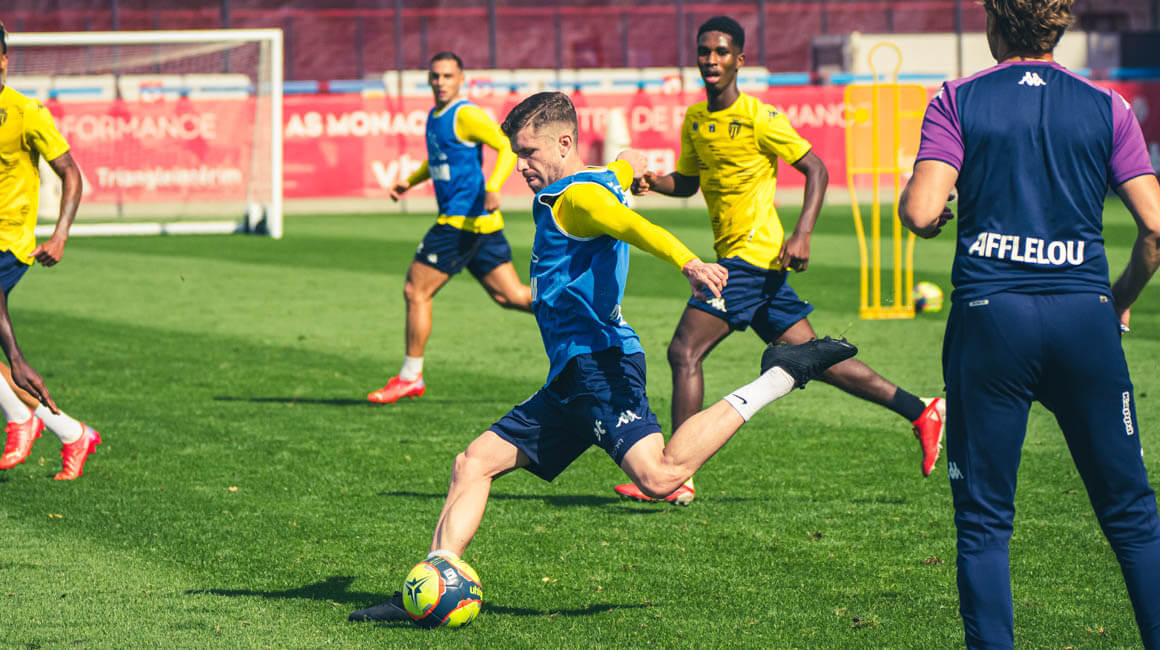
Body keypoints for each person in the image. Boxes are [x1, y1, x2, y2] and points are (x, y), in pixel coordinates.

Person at [349, 91, 858, 622]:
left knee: (659, 477)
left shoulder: (578, 200)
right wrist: (630, 164)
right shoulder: (597, 180)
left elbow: (632, 225)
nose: (519, 166)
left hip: (602, 365)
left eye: (528, 153)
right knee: (472, 463)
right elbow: (624, 165)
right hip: (570, 377)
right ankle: (427, 586)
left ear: (563, 143)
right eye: (516, 154)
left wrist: (688, 261)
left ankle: (780, 375)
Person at [899, 0, 1160, 645]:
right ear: (1058, 28)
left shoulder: (957, 99)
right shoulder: (1109, 106)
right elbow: (1155, 229)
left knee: (985, 524)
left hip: (991, 323)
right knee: (1132, 515)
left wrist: (931, 216)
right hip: (1084, 320)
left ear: (994, 23)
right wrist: (1119, 297)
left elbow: (920, 211)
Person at [616, 15, 945, 505]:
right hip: (747, 261)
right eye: (705, 51)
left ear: (740, 60)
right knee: (816, 359)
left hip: (751, 257)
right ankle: (921, 410)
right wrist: (653, 182)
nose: (711, 60)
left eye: (722, 52)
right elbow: (687, 182)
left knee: (684, 351)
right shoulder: (695, 120)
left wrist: (803, 233)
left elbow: (816, 168)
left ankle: (676, 475)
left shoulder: (759, 117)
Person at [367, 51, 530, 404]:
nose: (440, 82)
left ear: (461, 79)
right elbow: (438, 159)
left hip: (459, 223)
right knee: (512, 296)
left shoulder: (465, 114)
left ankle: (410, 377)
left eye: (447, 76)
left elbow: (506, 145)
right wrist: (410, 181)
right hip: (480, 226)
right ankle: (577, 309)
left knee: (416, 290)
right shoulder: (435, 116)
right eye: (435, 76)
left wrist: (494, 186)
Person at [0, 21, 102, 481]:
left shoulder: (27, 112)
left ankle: (22, 417)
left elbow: (71, 174)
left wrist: (60, 234)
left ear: (4, 59)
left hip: (9, 243)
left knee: (11, 353)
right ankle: (71, 432)